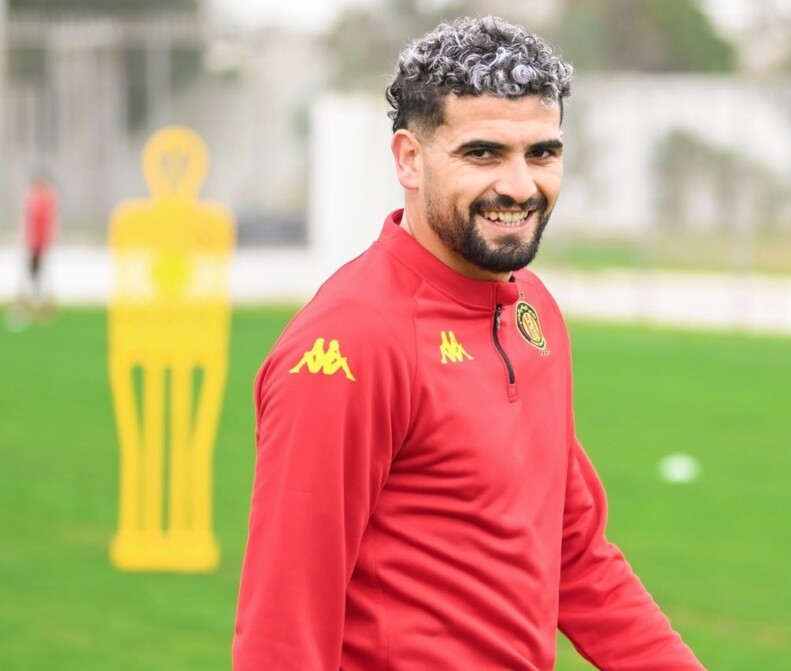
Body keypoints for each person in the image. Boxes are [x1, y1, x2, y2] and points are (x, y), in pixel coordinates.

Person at [233, 15, 705, 671]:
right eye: (482, 153)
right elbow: (283, 635)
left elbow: (574, 554)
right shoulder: (349, 343)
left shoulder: (533, 308)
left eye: (542, 153)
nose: (519, 186)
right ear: (409, 159)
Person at [23, 173, 57, 309]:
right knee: (34, 269)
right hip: (35, 241)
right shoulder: (36, 199)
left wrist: (41, 241)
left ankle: (39, 297)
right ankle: (36, 296)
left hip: (39, 241)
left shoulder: (43, 201)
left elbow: (43, 222)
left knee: (38, 269)